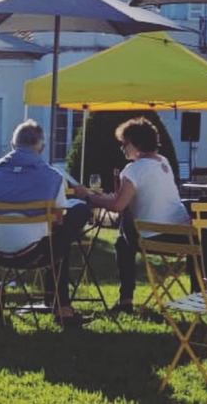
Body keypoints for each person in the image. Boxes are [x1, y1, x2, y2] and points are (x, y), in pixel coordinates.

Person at [0, 120, 89, 326]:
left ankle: (57, 302)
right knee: (74, 217)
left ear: (12, 145)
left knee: (58, 239)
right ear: (41, 147)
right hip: (34, 253)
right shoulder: (53, 177)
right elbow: (58, 220)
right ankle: (62, 306)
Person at [75, 117, 190, 314]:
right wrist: (106, 197)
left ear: (136, 143)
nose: (122, 149)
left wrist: (89, 197)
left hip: (155, 236)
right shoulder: (164, 162)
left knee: (123, 236)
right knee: (123, 238)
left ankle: (126, 299)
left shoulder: (133, 169)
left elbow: (118, 205)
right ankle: (127, 300)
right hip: (183, 234)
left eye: (124, 144)